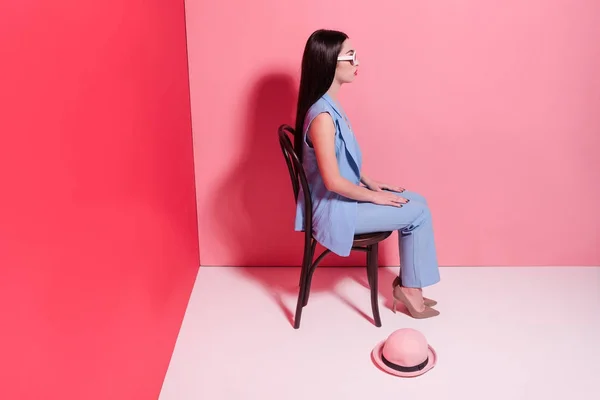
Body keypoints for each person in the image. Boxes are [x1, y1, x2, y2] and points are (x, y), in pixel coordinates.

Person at [293, 29, 441, 319]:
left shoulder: (329, 106)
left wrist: (369, 181)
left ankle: (410, 286)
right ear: (329, 63)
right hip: (334, 211)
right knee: (418, 213)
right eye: (350, 56)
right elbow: (333, 182)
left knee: (418, 200)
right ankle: (410, 290)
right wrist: (374, 197)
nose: (357, 62)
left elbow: (338, 164)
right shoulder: (322, 117)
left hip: (342, 199)